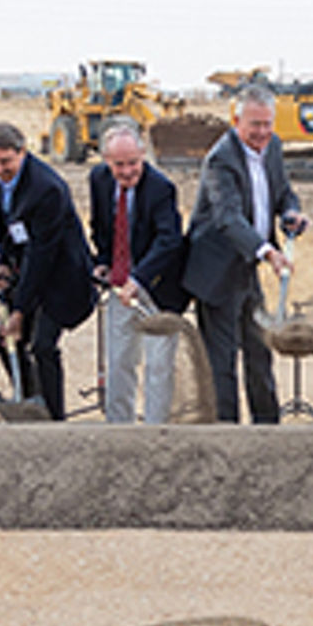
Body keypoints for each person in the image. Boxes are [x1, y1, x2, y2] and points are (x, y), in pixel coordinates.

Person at [181, 86, 308, 424]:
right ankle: (227, 437)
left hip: (246, 269)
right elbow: (228, 217)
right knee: (222, 363)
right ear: (235, 120)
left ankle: (268, 431)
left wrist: (291, 213)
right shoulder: (220, 160)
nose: (263, 132)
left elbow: (283, 193)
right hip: (216, 273)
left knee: (259, 351)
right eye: (255, 125)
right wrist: (268, 252)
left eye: (268, 124)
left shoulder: (273, 147)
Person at [0, 121, 95, 421]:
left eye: (6, 161)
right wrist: (3, 261)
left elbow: (42, 254)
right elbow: (3, 223)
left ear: (23, 152)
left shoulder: (47, 189)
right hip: (26, 267)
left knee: (42, 346)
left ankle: (55, 419)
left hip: (63, 275)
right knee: (6, 343)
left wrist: (20, 310)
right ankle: (32, 403)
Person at [89, 121, 189, 424]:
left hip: (159, 287)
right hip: (121, 285)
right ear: (106, 160)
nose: (127, 171)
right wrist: (104, 261)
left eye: (133, 163)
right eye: (119, 165)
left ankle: (155, 432)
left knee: (158, 366)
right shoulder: (98, 180)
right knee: (119, 361)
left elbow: (169, 240)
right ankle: (120, 431)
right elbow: (101, 226)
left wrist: (139, 279)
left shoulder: (161, 188)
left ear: (143, 155)